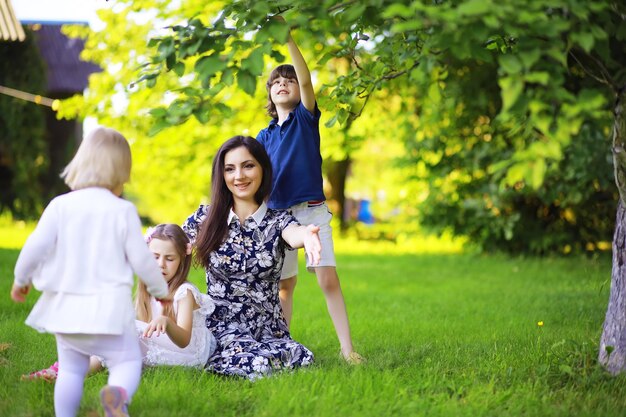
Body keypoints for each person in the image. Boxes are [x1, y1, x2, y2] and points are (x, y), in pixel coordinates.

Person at [10, 126, 170, 417]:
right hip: (109, 311)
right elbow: (142, 260)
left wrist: (21, 280)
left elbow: (35, 247)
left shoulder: (60, 206)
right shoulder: (122, 211)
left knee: (71, 369)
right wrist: (162, 292)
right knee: (126, 362)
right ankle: (116, 398)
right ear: (122, 170)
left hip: (66, 309)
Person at [256, 16, 363, 364]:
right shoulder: (263, 136)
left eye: (289, 81)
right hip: (279, 219)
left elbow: (304, 77)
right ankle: (282, 347)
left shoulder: (305, 118)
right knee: (284, 287)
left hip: (312, 212)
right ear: (270, 94)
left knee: (326, 280)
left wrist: (287, 39)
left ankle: (348, 351)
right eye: (277, 82)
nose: (284, 83)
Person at [182, 135, 320, 380]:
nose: (239, 176)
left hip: (269, 329)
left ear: (262, 169)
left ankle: (257, 359)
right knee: (256, 364)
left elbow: (294, 233)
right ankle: (238, 359)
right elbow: (173, 242)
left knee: (303, 357)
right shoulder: (206, 217)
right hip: (222, 327)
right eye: (230, 169)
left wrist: (307, 236)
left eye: (248, 166)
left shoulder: (278, 220)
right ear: (222, 176)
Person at [22, 224, 217, 382]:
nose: (160, 264)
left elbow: (183, 340)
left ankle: (66, 375)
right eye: (154, 257)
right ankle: (65, 368)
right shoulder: (149, 287)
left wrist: (166, 322)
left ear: (182, 259)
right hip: (168, 344)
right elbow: (145, 327)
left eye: (169, 259)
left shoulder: (185, 292)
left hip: (191, 352)